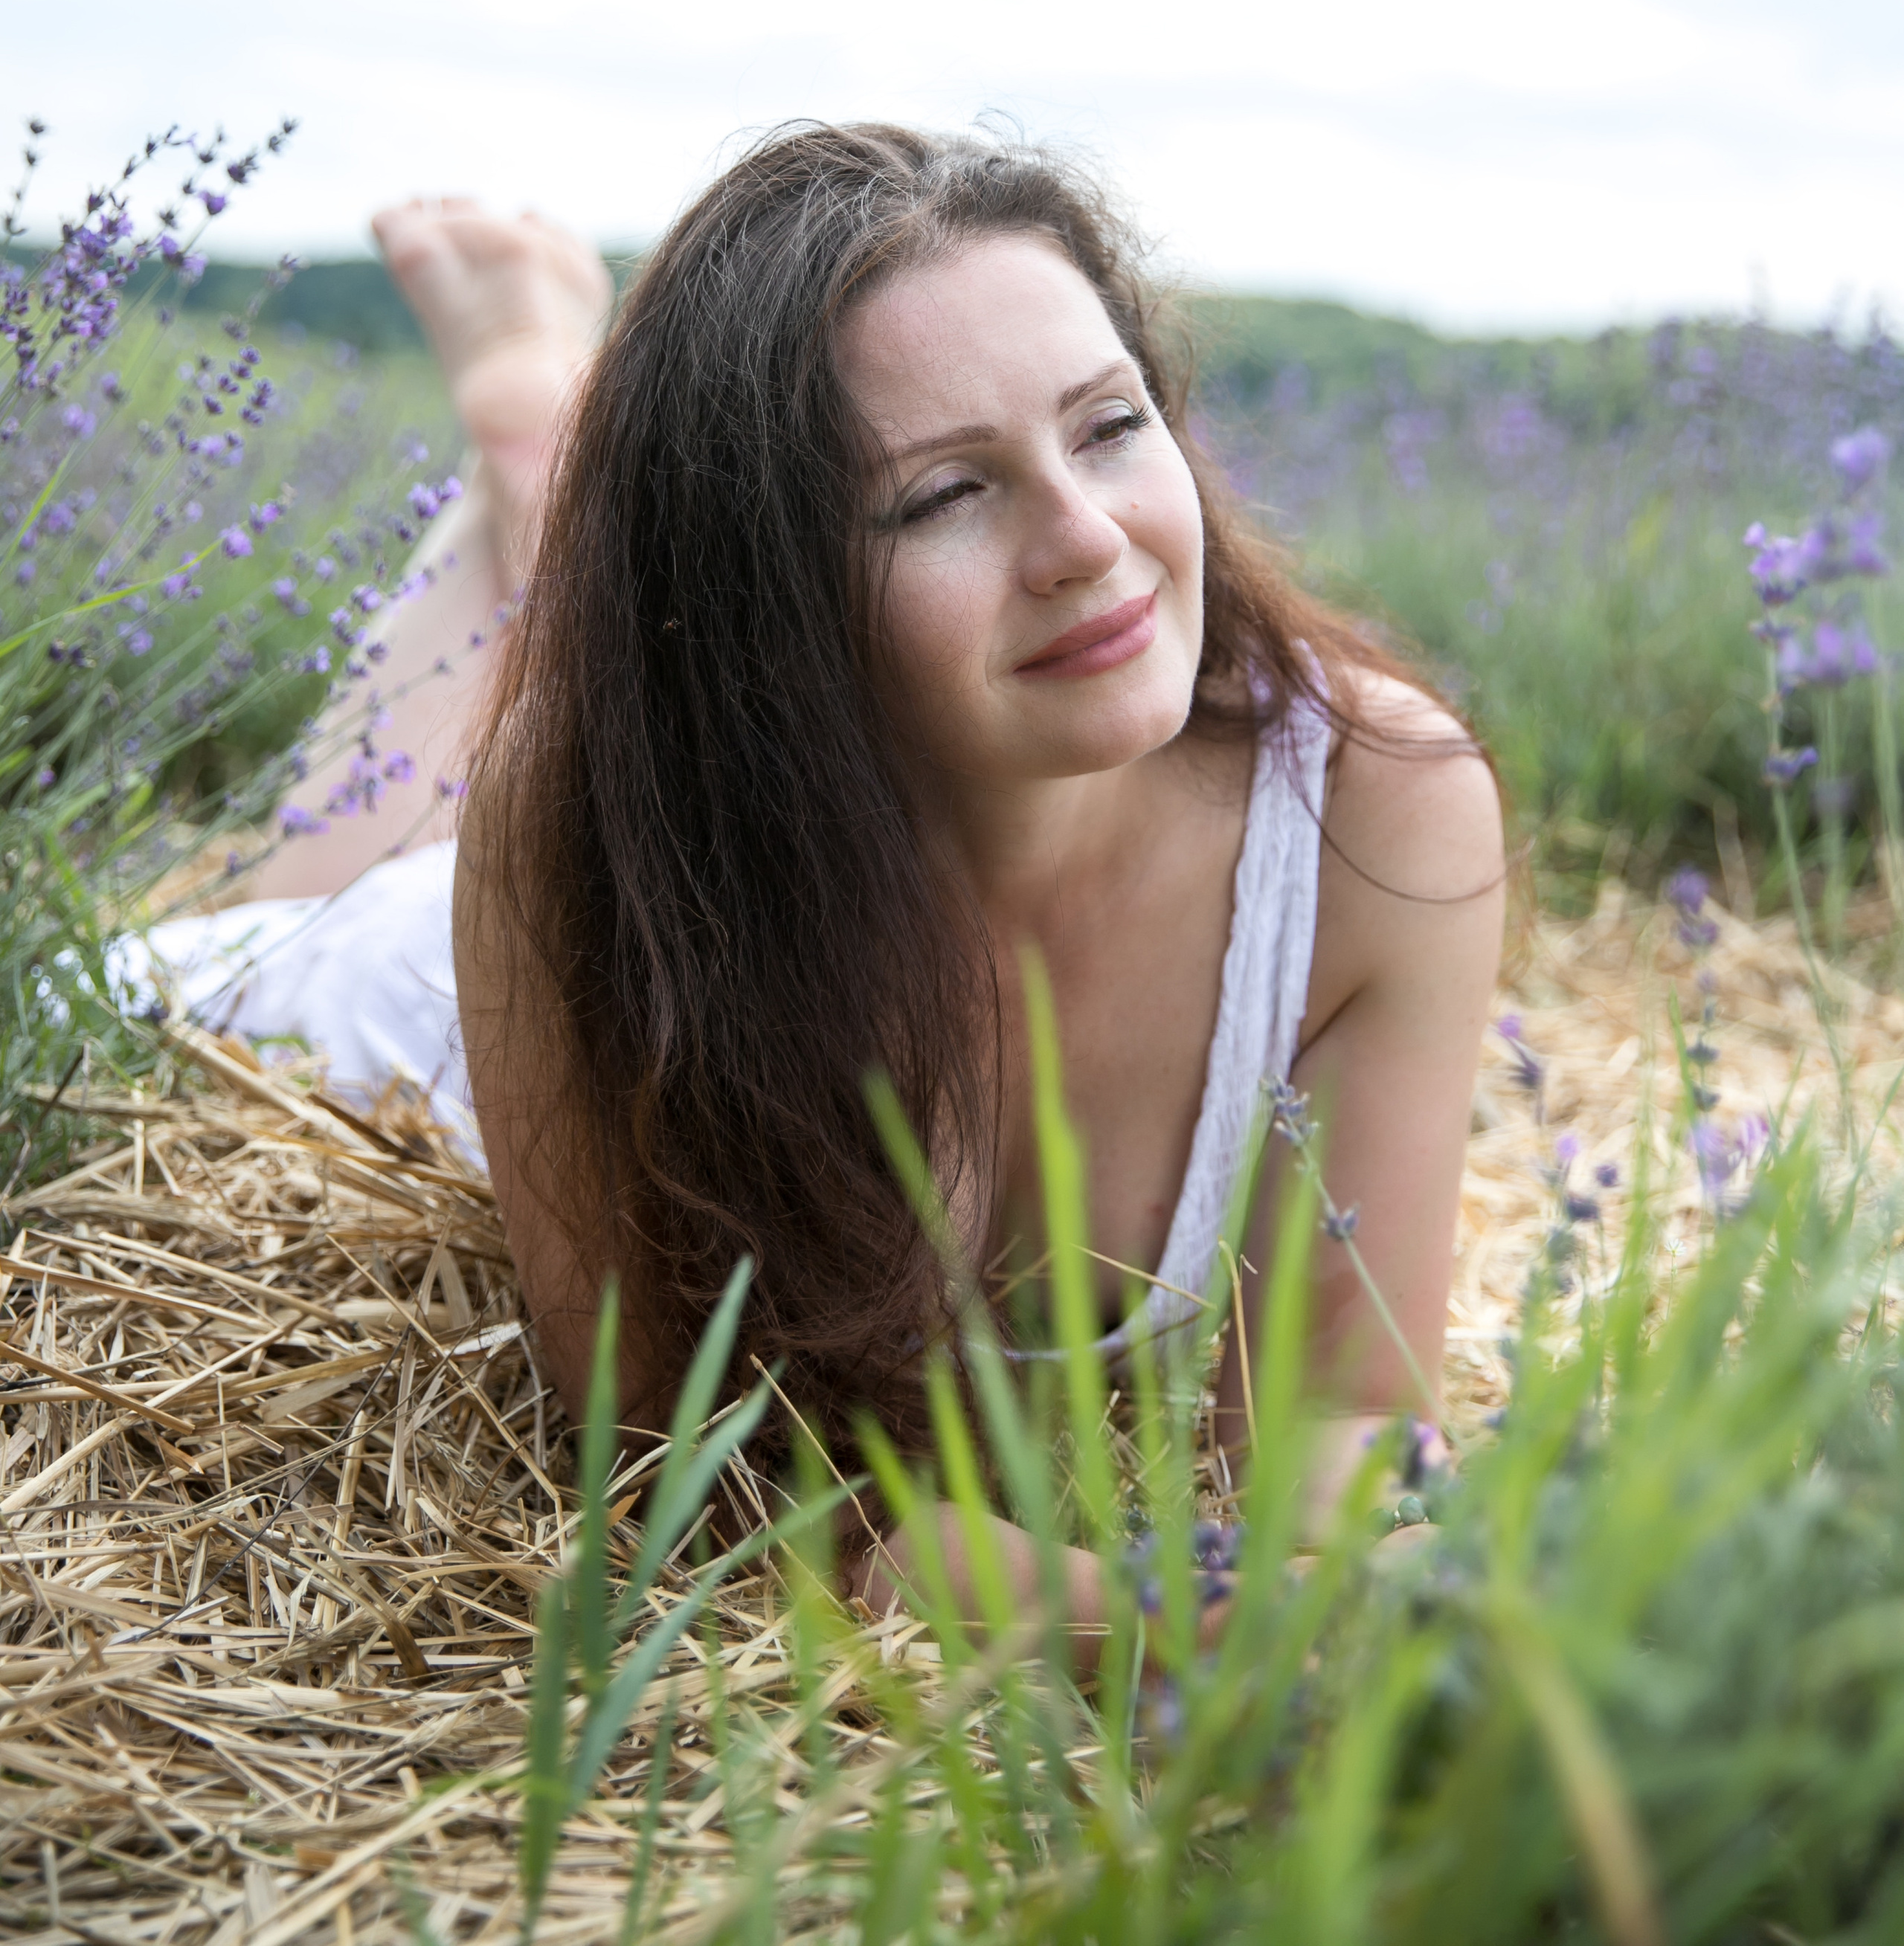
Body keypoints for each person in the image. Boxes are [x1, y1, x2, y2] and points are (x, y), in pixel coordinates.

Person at [154, 125, 1503, 1649]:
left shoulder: (1375, 814)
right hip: (394, 1002)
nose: (1087, 540)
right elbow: (699, 1478)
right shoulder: (577, 836)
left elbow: (1346, 1410)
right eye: (944, 496)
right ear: (769, 604)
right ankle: (532, 434)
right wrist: (1169, 1631)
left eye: (1110, 425)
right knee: (310, 890)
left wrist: (1351, 1599)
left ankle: (539, 435)